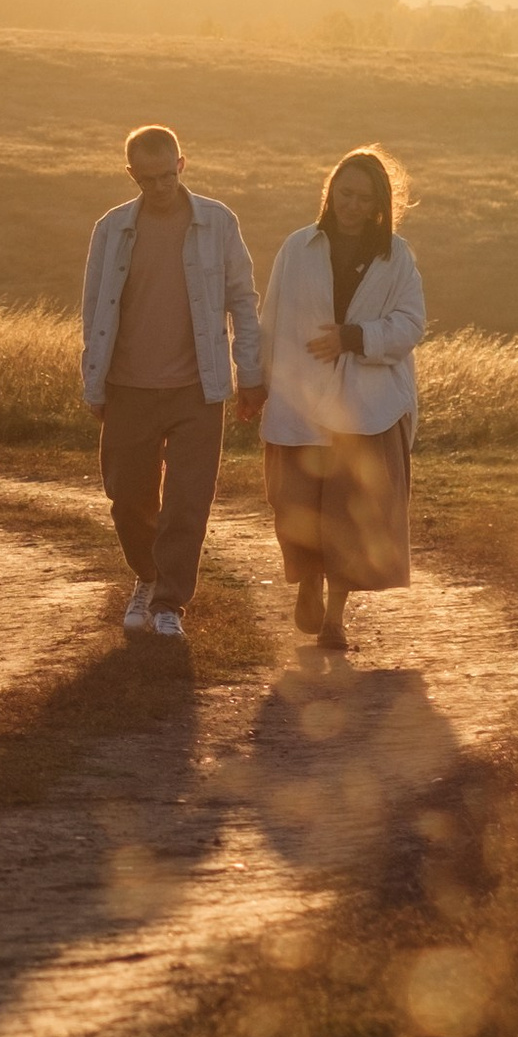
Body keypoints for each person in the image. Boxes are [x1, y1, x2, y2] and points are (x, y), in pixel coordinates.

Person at [79, 125, 263, 642]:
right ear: (131, 173)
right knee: (127, 497)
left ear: (182, 164)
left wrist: (250, 374)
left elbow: (243, 302)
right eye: (148, 178)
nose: (160, 187)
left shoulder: (217, 222)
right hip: (128, 385)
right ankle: (149, 574)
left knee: (188, 498)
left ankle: (168, 603)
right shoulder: (111, 228)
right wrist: (94, 382)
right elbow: (94, 309)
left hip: (197, 386)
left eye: (169, 175)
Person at [257, 147, 426, 654]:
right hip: (302, 401)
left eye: (363, 197)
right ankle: (308, 580)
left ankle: (335, 620)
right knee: (299, 504)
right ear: (330, 191)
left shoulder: (396, 256)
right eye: (343, 193)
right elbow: (272, 321)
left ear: (380, 203)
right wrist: (254, 386)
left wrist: (354, 337)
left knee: (351, 518)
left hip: (366, 409)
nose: (350, 205)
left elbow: (411, 325)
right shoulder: (298, 248)